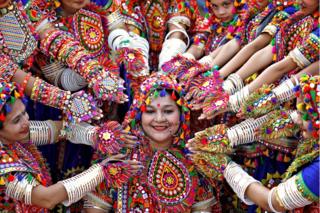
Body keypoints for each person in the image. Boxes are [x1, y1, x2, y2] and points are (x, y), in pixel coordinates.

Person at [0, 79, 144, 212]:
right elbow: (47, 198)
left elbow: (62, 131)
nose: (26, 121)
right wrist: (101, 170)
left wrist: (98, 135)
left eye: (24, 113)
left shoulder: (17, 134)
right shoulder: (3, 164)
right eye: (16, 120)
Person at [83, 73, 219, 212]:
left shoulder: (195, 162)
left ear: (182, 114)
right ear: (138, 116)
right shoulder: (117, 159)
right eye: (150, 111)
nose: (159, 119)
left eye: (168, 111)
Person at [187, 74, 319, 212]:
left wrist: (226, 168)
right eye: (298, 111)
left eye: (305, 116)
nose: (298, 120)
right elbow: (288, 120)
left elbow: (273, 202)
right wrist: (227, 137)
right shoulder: (312, 123)